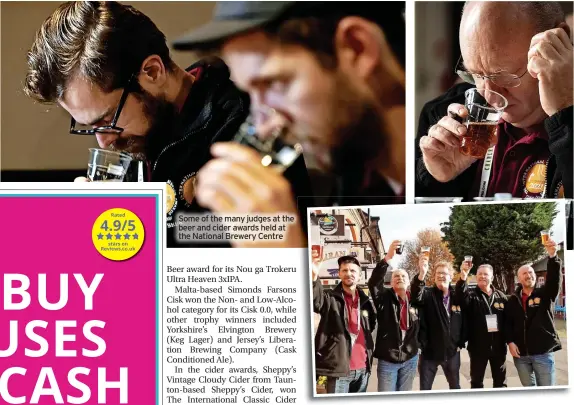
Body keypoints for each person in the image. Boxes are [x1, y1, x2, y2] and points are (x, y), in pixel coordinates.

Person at [22, 1, 312, 247]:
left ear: (152, 71)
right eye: (88, 127)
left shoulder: (249, 127)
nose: (103, 141)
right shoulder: (139, 137)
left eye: (108, 120)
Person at [170, 1, 406, 246]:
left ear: (358, 48)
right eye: (251, 94)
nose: (264, 127)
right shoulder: (358, 175)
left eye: (274, 84)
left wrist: (284, 260)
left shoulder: (441, 187)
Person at [416, 1, 572, 200]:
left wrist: (566, 118)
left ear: (559, 41)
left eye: (505, 75)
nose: (489, 96)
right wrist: (434, 178)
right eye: (476, 75)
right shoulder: (443, 116)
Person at [312, 255, 376, 394]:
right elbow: (315, 300)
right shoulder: (330, 298)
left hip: (363, 370)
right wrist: (313, 276)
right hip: (339, 372)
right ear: (339, 273)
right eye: (344, 270)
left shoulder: (365, 301)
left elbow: (370, 324)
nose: (348, 273)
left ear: (359, 275)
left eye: (353, 271)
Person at [505, 238, 562, 386]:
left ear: (535, 275)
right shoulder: (512, 300)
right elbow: (507, 324)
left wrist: (553, 256)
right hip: (521, 356)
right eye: (524, 273)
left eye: (530, 272)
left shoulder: (545, 294)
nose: (528, 275)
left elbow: (554, 280)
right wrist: (510, 342)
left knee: (547, 393)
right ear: (519, 278)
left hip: (543, 353)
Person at [367, 240, 420, 392]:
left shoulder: (416, 300)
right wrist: (387, 259)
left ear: (409, 282)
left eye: (403, 276)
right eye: (396, 276)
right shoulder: (383, 297)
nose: (400, 278)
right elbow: (374, 283)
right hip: (388, 359)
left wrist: (418, 346)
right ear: (390, 282)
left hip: (410, 358)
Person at [411, 259, 465, 390]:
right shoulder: (428, 295)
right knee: (425, 390)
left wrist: (461, 342)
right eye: (438, 273)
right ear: (434, 277)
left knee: (455, 387)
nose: (441, 276)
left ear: (451, 276)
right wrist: (421, 274)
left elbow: (466, 320)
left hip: (452, 353)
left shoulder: (456, 297)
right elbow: (416, 295)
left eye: (444, 273)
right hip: (429, 353)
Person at [456, 263, 508, 388]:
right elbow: (460, 299)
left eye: (486, 274)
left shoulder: (501, 297)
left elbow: (509, 321)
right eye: (479, 274)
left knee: (501, 383)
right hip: (477, 348)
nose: (482, 276)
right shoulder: (471, 295)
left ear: (492, 277)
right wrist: (463, 278)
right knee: (476, 382)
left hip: (499, 347)